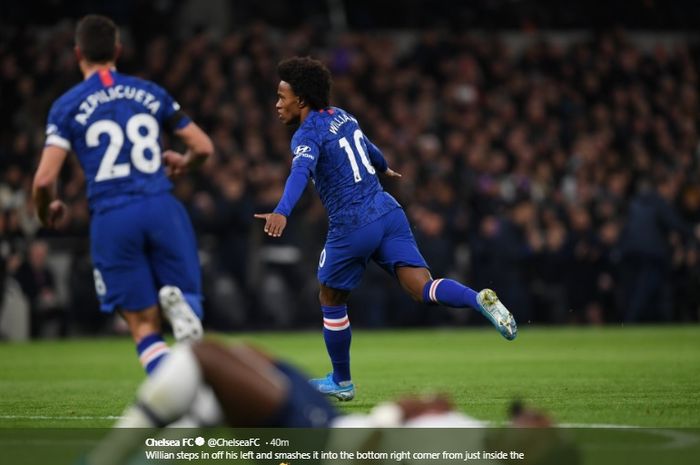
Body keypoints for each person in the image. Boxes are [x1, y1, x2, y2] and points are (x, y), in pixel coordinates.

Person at [255, 57, 517, 401]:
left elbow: (299, 173)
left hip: (352, 223)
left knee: (330, 299)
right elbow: (368, 147)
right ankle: (478, 299)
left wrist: (282, 210)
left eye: (281, 97)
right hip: (387, 211)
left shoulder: (307, 133)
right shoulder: (342, 115)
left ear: (301, 100)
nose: (276, 104)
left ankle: (342, 381)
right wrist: (384, 168)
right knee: (421, 287)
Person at [32, 15, 213, 374]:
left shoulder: (67, 105)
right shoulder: (149, 92)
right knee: (188, 299)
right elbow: (203, 147)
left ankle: (169, 384)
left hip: (114, 214)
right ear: (117, 50)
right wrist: (184, 162)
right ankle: (177, 308)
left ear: (77, 53)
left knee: (141, 325)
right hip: (162, 205)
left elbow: (43, 180)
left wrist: (45, 209)